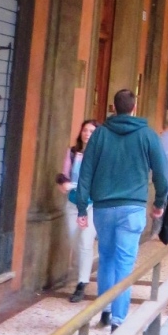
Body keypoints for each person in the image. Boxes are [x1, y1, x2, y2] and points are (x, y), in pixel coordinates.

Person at [76, 89, 168, 332]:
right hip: (132, 208)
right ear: (134, 107)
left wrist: (82, 207)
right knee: (124, 263)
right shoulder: (148, 135)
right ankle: (118, 322)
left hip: (104, 209)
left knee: (106, 258)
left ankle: (105, 311)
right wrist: (159, 203)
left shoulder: (99, 135)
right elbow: (162, 174)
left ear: (114, 108)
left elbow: (86, 171)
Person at [57, 119, 98, 302]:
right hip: (73, 203)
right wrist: (63, 183)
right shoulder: (73, 152)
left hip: (92, 205)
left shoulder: (100, 154)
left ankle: (82, 283)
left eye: (91, 131)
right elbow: (64, 174)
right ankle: (82, 271)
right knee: (75, 242)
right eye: (85, 130)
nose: (87, 134)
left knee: (85, 242)